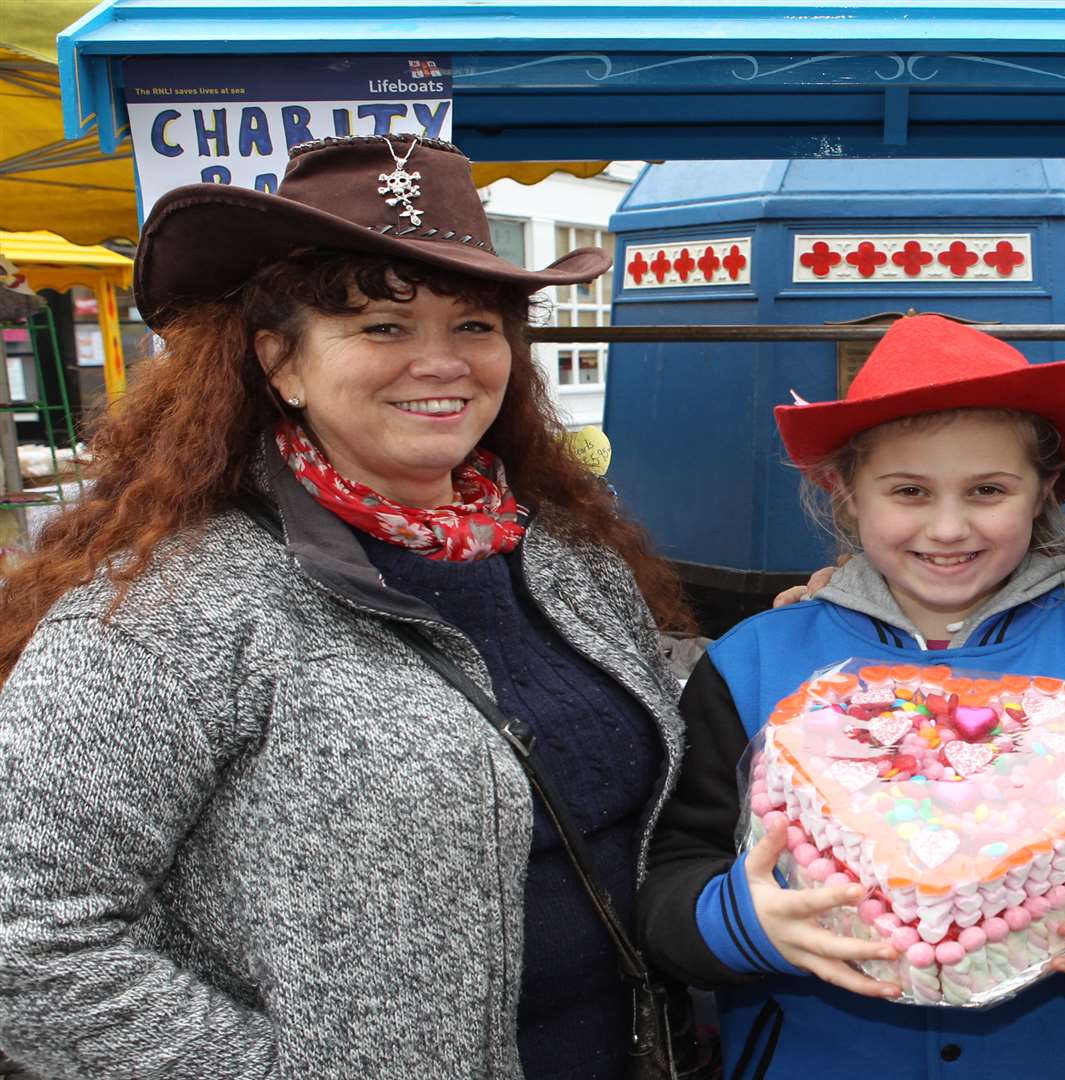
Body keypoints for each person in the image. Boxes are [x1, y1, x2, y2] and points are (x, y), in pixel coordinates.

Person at [0, 136, 695, 1079]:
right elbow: (27, 934)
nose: (441, 363)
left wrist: (832, 627)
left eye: (477, 325)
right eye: (381, 327)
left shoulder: (570, 560)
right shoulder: (169, 613)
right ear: (280, 361)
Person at [639, 314, 1065, 1078]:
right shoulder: (760, 661)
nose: (948, 527)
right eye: (909, 491)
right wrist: (741, 925)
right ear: (845, 491)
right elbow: (670, 874)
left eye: (987, 490)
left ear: (1043, 492)